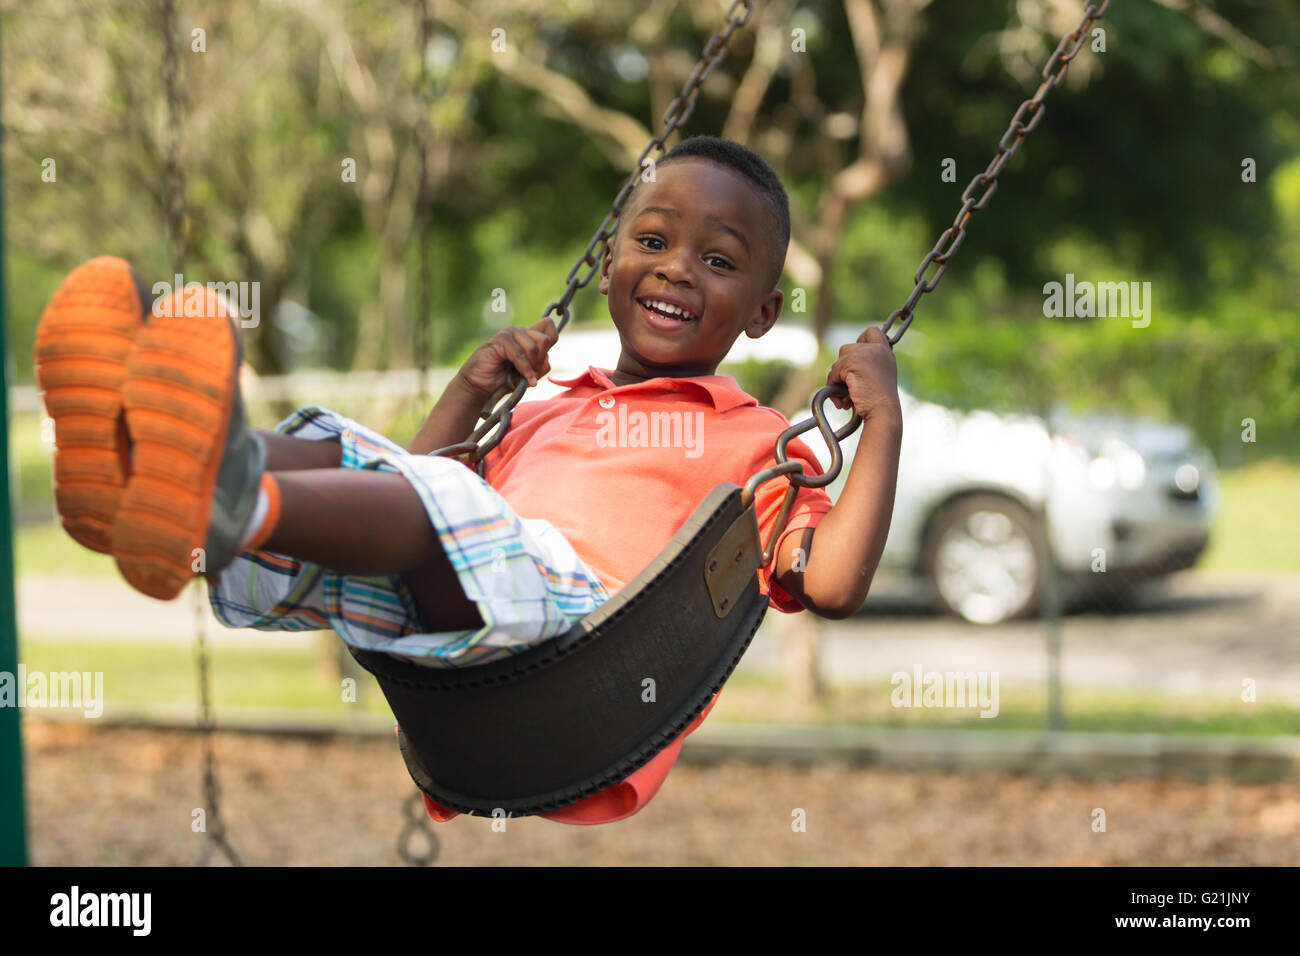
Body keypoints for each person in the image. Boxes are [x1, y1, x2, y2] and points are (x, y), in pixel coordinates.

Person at [33, 135, 903, 825]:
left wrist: (882, 427)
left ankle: (222, 486)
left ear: (761, 311)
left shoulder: (754, 441)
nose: (676, 266)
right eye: (652, 240)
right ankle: (149, 488)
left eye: (719, 260)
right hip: (454, 641)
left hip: (579, 649)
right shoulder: (542, 406)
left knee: (443, 509)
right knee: (348, 463)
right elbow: (402, 490)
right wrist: (470, 392)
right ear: (608, 266)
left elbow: (827, 582)